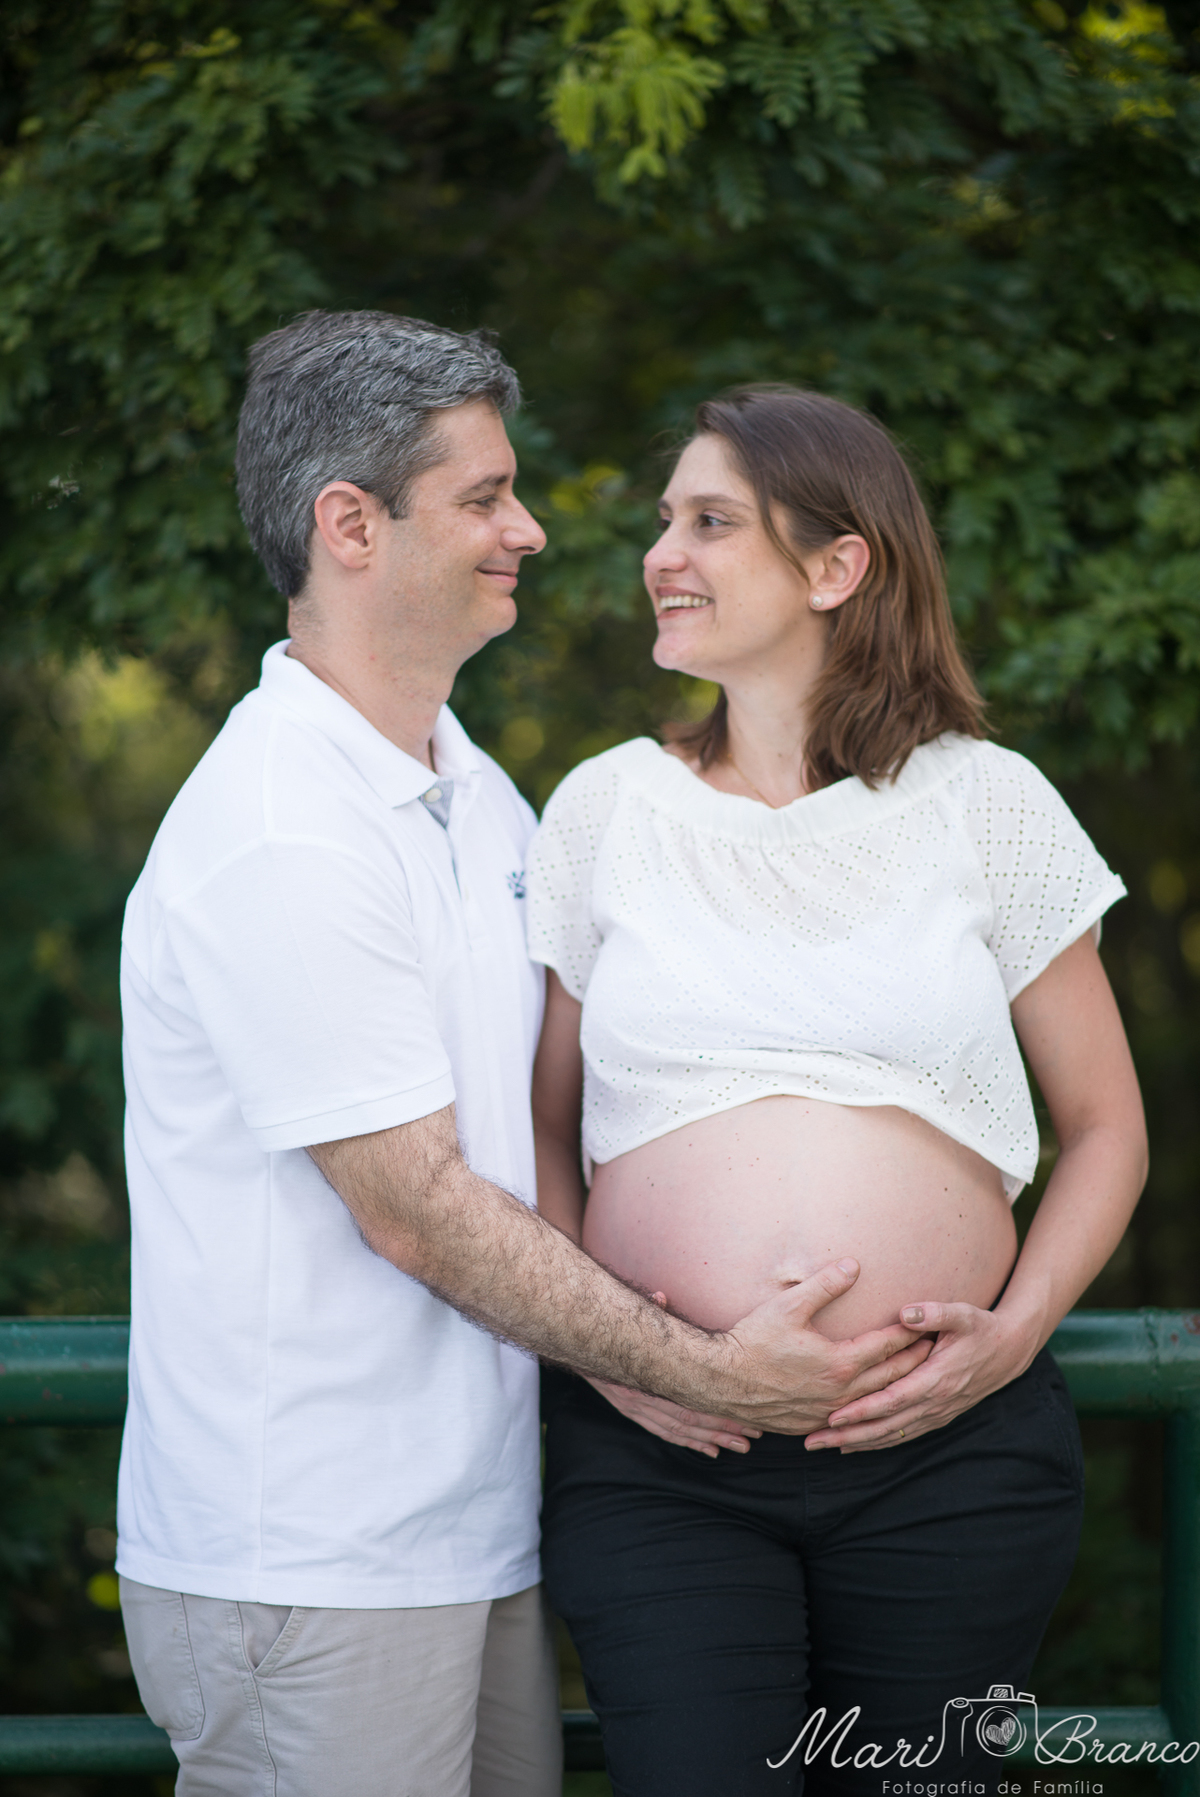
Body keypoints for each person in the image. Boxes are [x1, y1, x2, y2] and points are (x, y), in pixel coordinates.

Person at [115, 321, 932, 1797]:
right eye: (485, 496)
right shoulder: (281, 827)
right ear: (349, 525)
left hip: (468, 1528)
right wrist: (708, 1373)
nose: (532, 529)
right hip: (315, 1555)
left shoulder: (472, 789)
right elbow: (412, 1202)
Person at [526, 384, 1149, 1797]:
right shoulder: (606, 806)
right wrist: (617, 1357)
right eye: (664, 521)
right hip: (662, 1464)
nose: (660, 553)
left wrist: (1013, 1335)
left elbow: (1109, 1129)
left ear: (835, 564)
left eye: (710, 522)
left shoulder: (987, 801)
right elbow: (545, 1134)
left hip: (948, 1459)